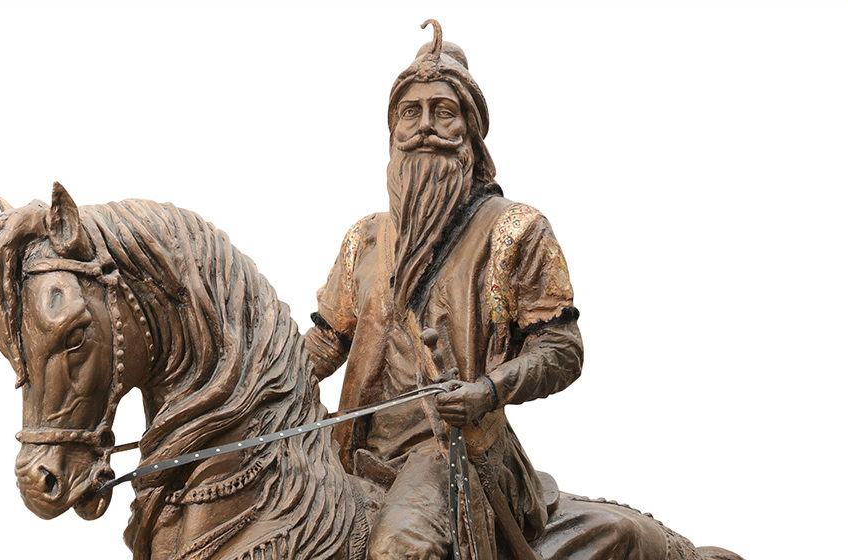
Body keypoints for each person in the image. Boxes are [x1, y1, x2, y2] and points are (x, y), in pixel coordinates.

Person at [304, 21, 715, 560]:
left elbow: (562, 350)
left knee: (401, 548)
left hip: (454, 454)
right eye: (411, 112)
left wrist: (488, 391)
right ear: (392, 131)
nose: (425, 126)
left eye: (443, 112)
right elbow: (327, 342)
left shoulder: (515, 230)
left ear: (471, 135)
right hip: (353, 448)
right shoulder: (365, 238)